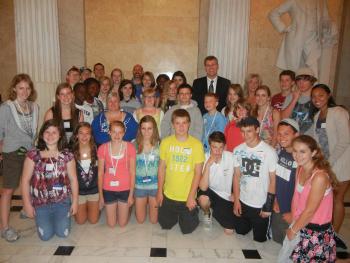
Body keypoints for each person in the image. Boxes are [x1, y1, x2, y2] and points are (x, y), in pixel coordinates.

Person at [279, 135, 336, 262]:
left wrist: (293, 230)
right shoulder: (300, 168)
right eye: (295, 151)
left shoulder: (319, 177)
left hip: (315, 230)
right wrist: (294, 218)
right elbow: (297, 197)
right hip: (300, 222)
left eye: (303, 151)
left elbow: (310, 211)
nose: (297, 155)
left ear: (314, 152)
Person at [21, 120, 79, 241]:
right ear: (42, 135)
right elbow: (25, 181)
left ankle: (60, 217)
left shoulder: (67, 156)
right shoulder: (33, 155)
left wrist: (75, 202)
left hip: (62, 202)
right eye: (47, 132)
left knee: (63, 233)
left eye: (54, 132)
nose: (50, 135)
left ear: (60, 135)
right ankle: (46, 218)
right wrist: (27, 204)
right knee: (45, 236)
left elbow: (73, 180)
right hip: (41, 203)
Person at [0, 74, 39, 242]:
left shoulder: (34, 106)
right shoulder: (6, 107)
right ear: (14, 88)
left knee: (30, 183)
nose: (25, 91)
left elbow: (33, 132)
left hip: (29, 152)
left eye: (28, 88)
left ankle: (26, 209)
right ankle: (5, 227)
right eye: (21, 88)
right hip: (12, 153)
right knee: (8, 189)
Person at [311, 84, 350, 249]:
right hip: (326, 163)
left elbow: (344, 140)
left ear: (328, 95)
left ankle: (335, 234)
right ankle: (326, 232)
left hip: (341, 162)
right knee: (327, 199)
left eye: (320, 95)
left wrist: (330, 162)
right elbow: (317, 139)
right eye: (314, 97)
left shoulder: (339, 113)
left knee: (337, 199)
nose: (317, 99)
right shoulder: (317, 116)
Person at [157, 109, 204, 234]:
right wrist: (159, 192)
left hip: (186, 197)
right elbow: (161, 168)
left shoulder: (196, 145)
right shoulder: (166, 142)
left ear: (189, 124)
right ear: (172, 124)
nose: (181, 126)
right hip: (169, 195)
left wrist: (191, 197)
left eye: (184, 123)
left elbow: (198, 173)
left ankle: (194, 209)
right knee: (165, 225)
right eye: (177, 123)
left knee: (188, 230)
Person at [232, 117, 277, 242]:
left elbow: (273, 180)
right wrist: (236, 201)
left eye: (249, 131)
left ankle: (263, 224)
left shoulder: (270, 152)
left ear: (257, 130)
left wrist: (268, 206)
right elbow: (236, 176)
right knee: (240, 231)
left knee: (260, 239)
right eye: (242, 131)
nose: (245, 135)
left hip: (260, 204)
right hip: (243, 201)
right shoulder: (238, 150)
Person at [269, 0, 337, 77]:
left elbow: (325, 19)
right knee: (292, 71)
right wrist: (283, 28)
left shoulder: (320, 2)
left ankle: (315, 88)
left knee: (313, 71)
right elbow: (273, 14)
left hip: (313, 39)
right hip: (295, 39)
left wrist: (328, 26)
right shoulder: (293, 1)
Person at [97, 121, 136, 227]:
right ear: (109, 132)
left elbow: (132, 172)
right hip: (108, 189)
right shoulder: (102, 148)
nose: (117, 135)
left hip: (125, 188)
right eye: (114, 132)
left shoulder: (130, 147)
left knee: (122, 224)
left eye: (120, 132)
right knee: (111, 224)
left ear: (124, 133)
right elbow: (100, 173)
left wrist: (131, 195)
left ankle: (126, 208)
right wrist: (101, 196)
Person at [198, 132, 235, 234]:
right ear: (209, 145)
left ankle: (214, 209)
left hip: (225, 195)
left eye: (221, 147)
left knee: (229, 231)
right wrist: (208, 165)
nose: (217, 151)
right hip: (209, 191)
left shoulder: (231, 157)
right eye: (214, 147)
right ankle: (207, 212)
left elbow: (238, 177)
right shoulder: (204, 158)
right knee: (203, 199)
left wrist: (235, 193)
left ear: (225, 147)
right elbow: (203, 187)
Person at [271, 119, 299, 245]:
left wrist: (294, 213)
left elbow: (304, 192)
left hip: (293, 211)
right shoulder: (282, 152)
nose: (282, 137)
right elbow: (278, 179)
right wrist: (275, 199)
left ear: (296, 135)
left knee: (293, 246)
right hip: (279, 206)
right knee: (277, 239)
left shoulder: (300, 158)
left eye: (286, 134)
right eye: (279, 134)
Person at [72, 122, 100, 224]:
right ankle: (84, 207)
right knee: (80, 221)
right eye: (81, 133)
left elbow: (101, 173)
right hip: (79, 192)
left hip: (94, 190)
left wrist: (101, 194)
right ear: (76, 135)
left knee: (93, 221)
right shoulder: (71, 153)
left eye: (87, 133)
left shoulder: (97, 150)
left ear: (91, 135)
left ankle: (93, 207)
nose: (84, 136)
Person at [134, 116, 160, 224]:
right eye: (143, 128)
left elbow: (163, 168)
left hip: (155, 186)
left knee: (154, 221)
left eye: (149, 128)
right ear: (140, 129)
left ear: (154, 129)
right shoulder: (134, 145)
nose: (146, 131)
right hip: (139, 186)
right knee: (140, 220)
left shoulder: (160, 145)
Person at [281, 67, 317, 135]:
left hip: (309, 140)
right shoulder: (290, 97)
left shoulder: (317, 98)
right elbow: (283, 118)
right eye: (299, 80)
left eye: (305, 80)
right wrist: (294, 99)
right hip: (292, 138)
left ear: (312, 81)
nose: (301, 83)